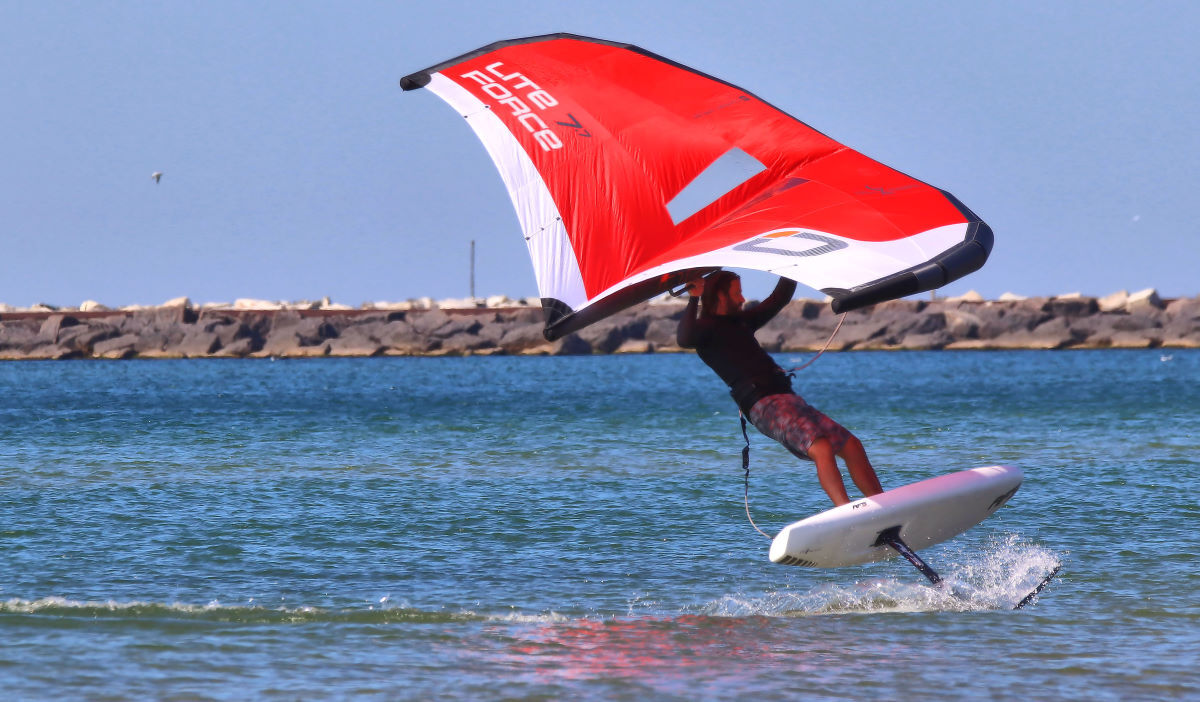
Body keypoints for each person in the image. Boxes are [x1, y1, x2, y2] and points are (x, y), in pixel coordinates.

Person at [677, 270, 883, 507]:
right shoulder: (706, 330)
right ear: (720, 296)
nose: (743, 299)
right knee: (821, 446)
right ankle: (845, 509)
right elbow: (684, 338)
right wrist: (694, 297)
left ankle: (885, 507)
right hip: (763, 405)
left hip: (789, 399)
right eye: (737, 293)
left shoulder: (742, 321)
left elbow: (779, 299)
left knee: (851, 444)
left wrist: (792, 267)